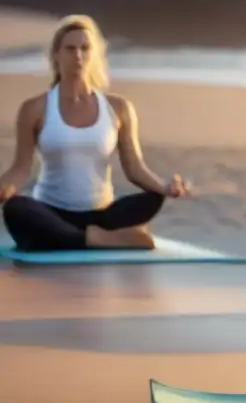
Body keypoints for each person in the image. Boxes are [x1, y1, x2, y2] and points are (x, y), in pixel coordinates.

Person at [0, 15, 189, 251]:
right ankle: (97, 240)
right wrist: (4, 188)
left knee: (152, 198)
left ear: (94, 55)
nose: (78, 56)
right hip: (51, 212)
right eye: (70, 49)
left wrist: (165, 187)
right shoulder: (35, 109)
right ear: (56, 55)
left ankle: (75, 238)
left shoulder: (118, 108)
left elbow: (135, 168)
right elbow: (20, 169)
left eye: (85, 48)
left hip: (103, 215)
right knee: (16, 209)